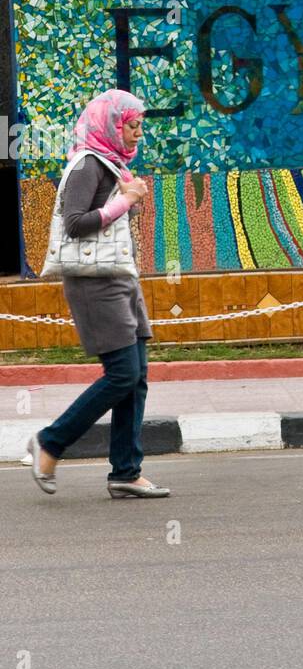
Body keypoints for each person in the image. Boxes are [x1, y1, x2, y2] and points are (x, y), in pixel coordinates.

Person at [26, 90, 170, 499]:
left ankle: (126, 471)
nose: (137, 133)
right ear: (110, 124)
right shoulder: (87, 164)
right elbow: (74, 223)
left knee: (137, 376)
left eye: (140, 125)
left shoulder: (111, 163)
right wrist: (125, 200)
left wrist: (128, 200)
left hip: (120, 278)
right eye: (131, 125)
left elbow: (106, 219)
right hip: (94, 284)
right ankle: (50, 441)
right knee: (122, 373)